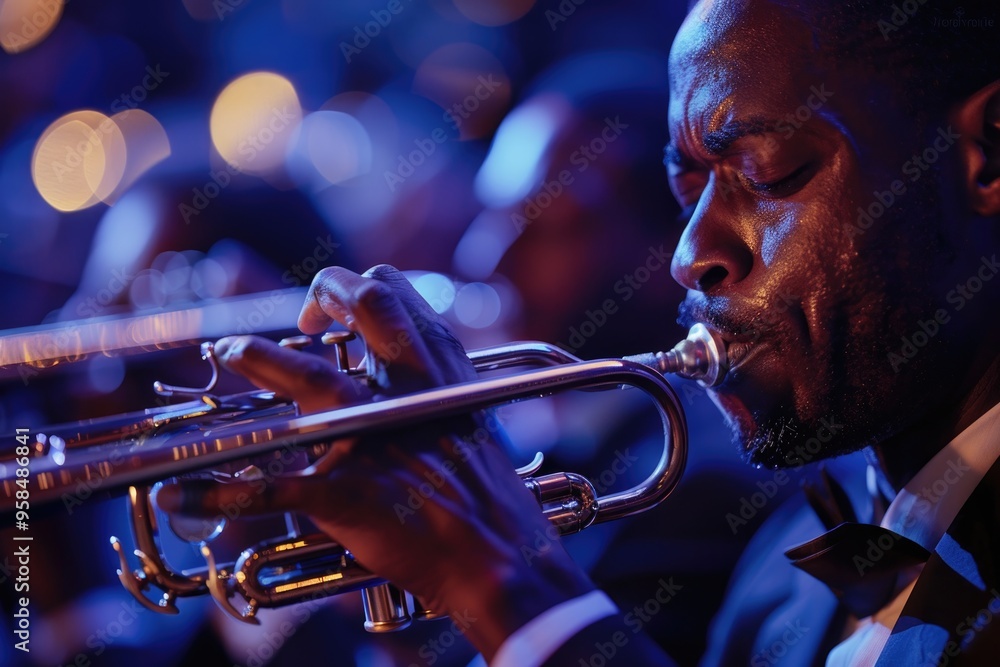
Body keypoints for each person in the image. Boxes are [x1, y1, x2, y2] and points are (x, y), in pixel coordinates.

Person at [155, 0, 1000, 664]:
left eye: (768, 174)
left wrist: (503, 572)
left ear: (987, 156)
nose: (689, 255)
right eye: (687, 192)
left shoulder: (715, 502)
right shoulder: (790, 566)